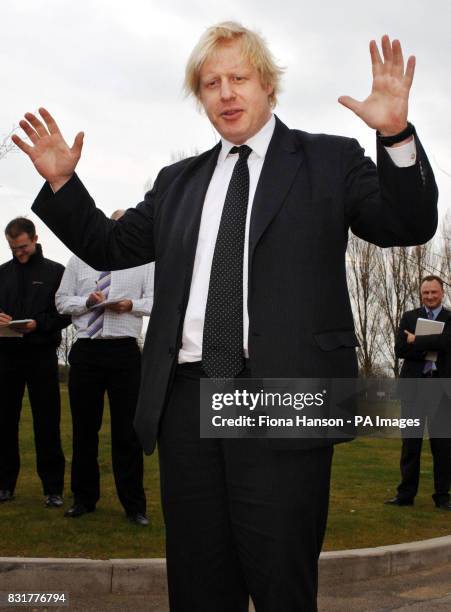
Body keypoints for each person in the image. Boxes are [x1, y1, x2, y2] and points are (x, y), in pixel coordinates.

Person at [13, 21, 438, 612]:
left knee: (281, 584)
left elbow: (407, 225)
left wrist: (395, 137)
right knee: (199, 585)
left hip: (282, 396)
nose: (226, 93)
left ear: (267, 85)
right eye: (211, 83)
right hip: (187, 401)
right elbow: (110, 247)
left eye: (239, 77)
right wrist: (62, 181)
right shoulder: (177, 183)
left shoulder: (327, 160)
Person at [55, 209, 153, 526]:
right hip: (87, 352)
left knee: (128, 432)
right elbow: (60, 301)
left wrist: (130, 305)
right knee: (84, 430)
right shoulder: (79, 260)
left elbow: (156, 301)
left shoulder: (145, 262)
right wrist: (86, 302)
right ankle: (83, 499)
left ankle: (134, 506)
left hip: (124, 352)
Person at [0, 217, 70, 507]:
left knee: (47, 423)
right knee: (4, 423)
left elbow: (66, 314)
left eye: (23, 246)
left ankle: (52, 489)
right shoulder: (2, 273)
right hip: (5, 356)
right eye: (13, 247)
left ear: (35, 238)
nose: (19, 252)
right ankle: (4, 485)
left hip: (41, 356)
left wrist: (37, 324)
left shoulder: (56, 272)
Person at [386, 275, 451, 511]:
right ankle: (405, 495)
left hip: (441, 390)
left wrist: (418, 341)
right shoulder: (410, 317)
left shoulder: (450, 318)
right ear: (421, 294)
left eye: (434, 292)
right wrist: (432, 345)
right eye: (426, 293)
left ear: (442, 293)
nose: (430, 297)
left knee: (442, 446)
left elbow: (448, 344)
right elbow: (400, 349)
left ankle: (442, 496)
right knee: (410, 444)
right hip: (414, 389)